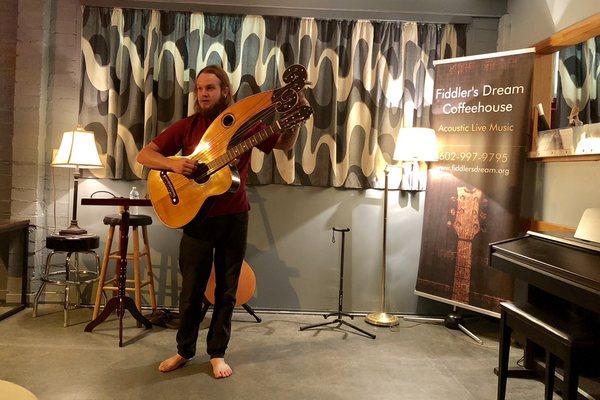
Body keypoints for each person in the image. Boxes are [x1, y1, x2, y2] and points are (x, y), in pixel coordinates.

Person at [137, 65, 305, 378]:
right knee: (191, 291)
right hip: (196, 217)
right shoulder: (187, 127)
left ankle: (217, 353)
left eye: (210, 88)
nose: (203, 94)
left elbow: (282, 144)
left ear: (224, 91)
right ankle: (183, 351)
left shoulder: (242, 122)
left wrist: (293, 119)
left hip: (234, 216)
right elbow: (145, 155)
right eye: (200, 88)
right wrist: (173, 164)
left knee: (227, 289)